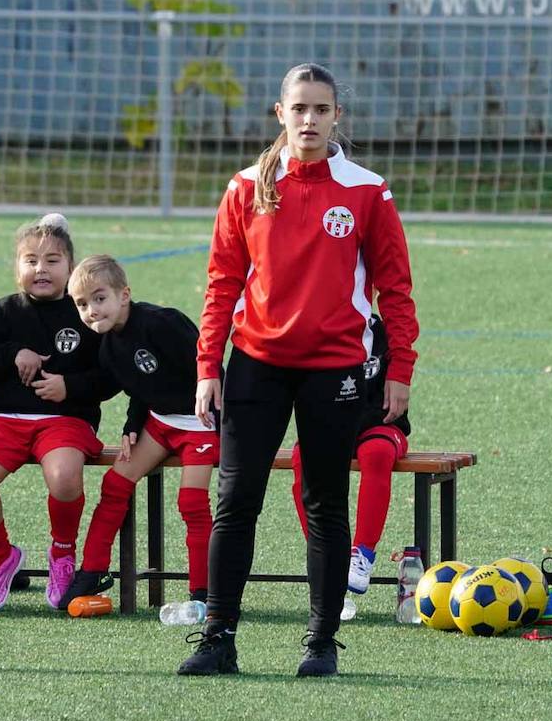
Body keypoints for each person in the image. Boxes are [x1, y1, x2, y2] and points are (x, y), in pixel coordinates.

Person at [178, 62, 419, 678]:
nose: (309, 120)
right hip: (255, 365)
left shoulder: (367, 190)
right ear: (279, 114)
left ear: (337, 116)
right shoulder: (244, 187)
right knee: (236, 502)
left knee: (324, 504)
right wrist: (210, 366)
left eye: (321, 109)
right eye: (299, 108)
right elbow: (221, 284)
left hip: (335, 370)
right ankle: (218, 638)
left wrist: (399, 370)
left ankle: (320, 643)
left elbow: (395, 288)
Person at [0, 213, 114, 614]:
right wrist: (14, 355)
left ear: (70, 267)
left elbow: (110, 375)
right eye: (30, 260)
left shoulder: (83, 312)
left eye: (52, 260)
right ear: (17, 268)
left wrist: (70, 387)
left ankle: (62, 554)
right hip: (6, 419)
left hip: (66, 420)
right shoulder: (2, 312)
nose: (40, 269)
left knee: (64, 475)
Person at [57, 255, 216, 611]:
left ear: (123, 295)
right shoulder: (109, 346)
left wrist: (229, 424)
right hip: (160, 423)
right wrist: (132, 426)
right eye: (82, 304)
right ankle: (92, 572)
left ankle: (205, 593)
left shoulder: (162, 323)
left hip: (202, 423)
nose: (92, 310)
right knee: (115, 484)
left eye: (100, 298)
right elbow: (139, 387)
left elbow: (208, 365)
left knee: (191, 502)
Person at [290, 315, 411, 597]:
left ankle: (362, 554)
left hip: (380, 424)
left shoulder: (385, 330)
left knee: (377, 453)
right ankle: (325, 556)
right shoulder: (320, 325)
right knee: (301, 457)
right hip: (330, 424)